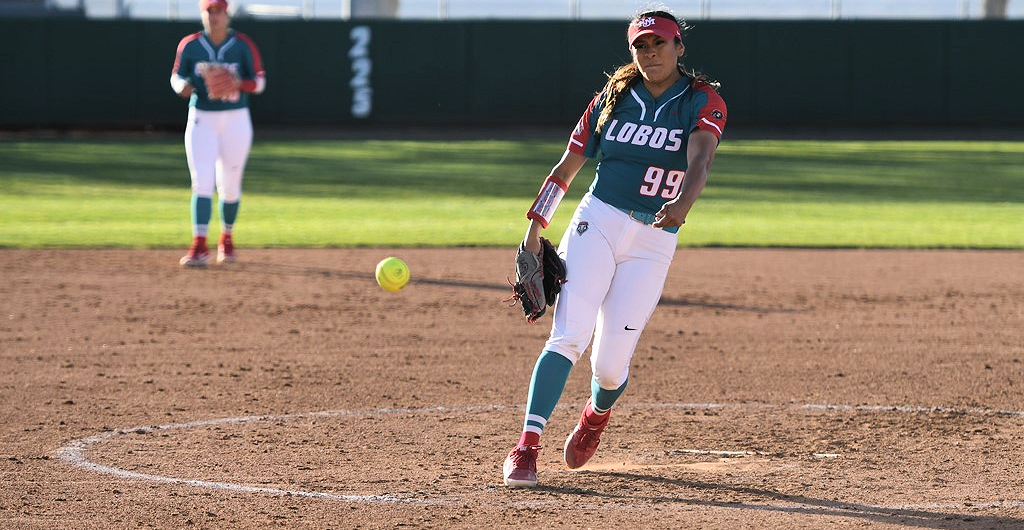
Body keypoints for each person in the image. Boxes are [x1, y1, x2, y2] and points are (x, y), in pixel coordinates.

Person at [502, 10, 728, 488]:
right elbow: (566, 168)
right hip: (597, 222)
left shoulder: (703, 101)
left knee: (608, 368)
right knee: (568, 337)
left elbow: (702, 160)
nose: (650, 54)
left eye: (659, 44)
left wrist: (682, 205)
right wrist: (533, 229)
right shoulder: (613, 98)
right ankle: (527, 447)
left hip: (654, 241)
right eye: (641, 46)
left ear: (679, 47)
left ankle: (595, 416)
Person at [170, 0, 266, 267]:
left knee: (231, 186)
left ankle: (226, 238)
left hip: (236, 119)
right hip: (201, 117)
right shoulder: (190, 44)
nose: (214, 17)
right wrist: (183, 86)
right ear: (203, 14)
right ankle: (199, 245)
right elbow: (176, 76)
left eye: (218, 11)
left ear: (227, 14)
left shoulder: (242, 44)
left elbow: (259, 82)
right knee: (201, 182)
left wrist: (239, 82)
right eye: (209, 11)